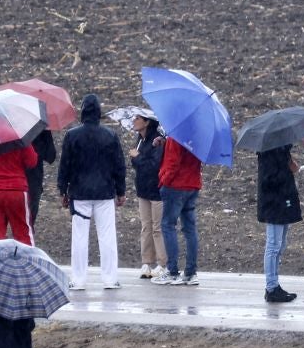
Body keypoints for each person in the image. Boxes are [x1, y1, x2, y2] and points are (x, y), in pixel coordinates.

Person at [57, 94, 126, 292]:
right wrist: (120, 191)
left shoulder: (72, 135)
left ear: (82, 112)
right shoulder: (110, 135)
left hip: (79, 193)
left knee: (79, 237)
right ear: (99, 112)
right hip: (104, 192)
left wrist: (63, 190)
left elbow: (65, 166)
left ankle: (78, 280)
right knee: (107, 236)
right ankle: (110, 279)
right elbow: (118, 166)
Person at [156, 129, 203, 287]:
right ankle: (190, 272)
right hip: (192, 183)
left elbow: (173, 162)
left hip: (175, 186)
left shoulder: (177, 134)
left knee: (168, 225)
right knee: (189, 228)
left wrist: (164, 180)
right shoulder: (197, 135)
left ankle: (172, 271)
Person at [256, 143, 302, 303]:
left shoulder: (281, 150)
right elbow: (268, 180)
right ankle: (271, 287)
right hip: (273, 204)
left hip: (281, 202)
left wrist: (289, 164)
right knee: (273, 245)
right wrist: (287, 169)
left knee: (280, 245)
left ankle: (274, 285)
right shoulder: (268, 151)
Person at [130, 114, 168, 280]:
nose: (134, 120)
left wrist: (138, 157)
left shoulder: (156, 140)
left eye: (137, 118)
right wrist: (137, 159)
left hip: (156, 190)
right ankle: (147, 261)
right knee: (146, 226)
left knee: (157, 228)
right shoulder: (139, 139)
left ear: (146, 122)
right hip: (143, 189)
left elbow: (154, 165)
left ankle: (162, 263)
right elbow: (138, 164)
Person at [25, 125, 57, 235]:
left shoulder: (11, 125)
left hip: (14, 176)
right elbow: (51, 156)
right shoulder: (41, 127)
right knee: (29, 219)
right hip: (34, 177)